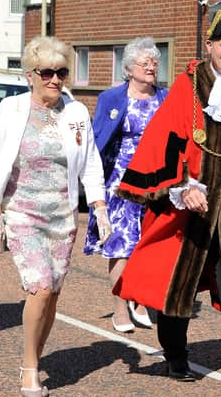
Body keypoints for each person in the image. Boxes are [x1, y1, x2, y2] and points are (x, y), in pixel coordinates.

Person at [113, 11, 221, 395]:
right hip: (190, 209)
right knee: (179, 283)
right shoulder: (188, 86)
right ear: (210, 46)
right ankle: (175, 354)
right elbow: (166, 141)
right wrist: (183, 186)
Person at [0, 36, 110, 397]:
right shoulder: (11, 108)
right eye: (47, 72)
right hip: (22, 212)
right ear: (31, 75)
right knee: (40, 286)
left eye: (62, 72)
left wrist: (98, 206)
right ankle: (29, 365)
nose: (55, 80)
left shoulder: (76, 113)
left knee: (52, 294)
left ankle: (34, 353)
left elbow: (91, 161)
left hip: (62, 216)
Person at [83, 37, 168, 333]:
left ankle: (140, 299)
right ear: (129, 68)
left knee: (148, 244)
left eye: (155, 63)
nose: (151, 68)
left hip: (157, 181)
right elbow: (98, 139)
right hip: (121, 180)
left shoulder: (165, 98)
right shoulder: (112, 98)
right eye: (145, 63)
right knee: (120, 245)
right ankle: (120, 308)